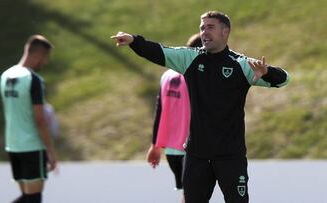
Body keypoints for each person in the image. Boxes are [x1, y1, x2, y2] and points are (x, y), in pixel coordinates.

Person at [111, 11, 290, 203]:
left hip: (230, 156)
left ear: (225, 32)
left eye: (210, 27)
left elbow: (284, 79)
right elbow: (160, 51)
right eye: (202, 28)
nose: (204, 32)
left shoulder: (241, 65)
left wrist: (267, 73)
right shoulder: (190, 59)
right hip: (197, 155)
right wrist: (134, 41)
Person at [0, 35, 58, 203]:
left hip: (13, 145)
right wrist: (50, 150)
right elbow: (39, 119)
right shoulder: (33, 80)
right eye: (45, 58)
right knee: (33, 199)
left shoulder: (5, 76)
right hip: (32, 146)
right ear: (39, 55)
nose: (45, 63)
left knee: (27, 197)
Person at [146, 34, 201, 202]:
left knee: (186, 193)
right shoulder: (196, 75)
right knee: (191, 196)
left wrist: (155, 145)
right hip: (190, 148)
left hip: (171, 150)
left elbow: (159, 110)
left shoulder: (167, 75)